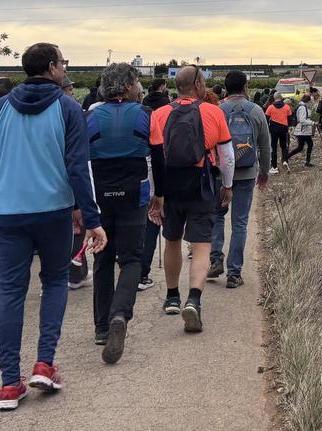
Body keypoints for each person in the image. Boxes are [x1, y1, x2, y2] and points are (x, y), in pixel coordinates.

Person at [0, 43, 106, 411]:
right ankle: (45, 363)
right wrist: (90, 217)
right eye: (63, 63)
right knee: (53, 281)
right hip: (53, 210)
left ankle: (7, 384)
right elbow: (78, 166)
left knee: (11, 290)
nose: (65, 68)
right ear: (51, 67)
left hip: (8, 210)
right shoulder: (67, 108)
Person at [148, 65, 233, 333]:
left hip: (170, 186)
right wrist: (227, 186)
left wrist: (155, 194)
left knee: (172, 240)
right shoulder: (213, 112)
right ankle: (193, 300)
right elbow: (227, 156)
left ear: (177, 87)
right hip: (200, 185)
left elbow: (152, 160)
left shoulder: (159, 114)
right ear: (198, 84)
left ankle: (172, 296)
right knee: (201, 245)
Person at [86, 63, 152, 364]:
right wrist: (158, 195)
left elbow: (79, 160)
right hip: (133, 195)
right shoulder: (143, 115)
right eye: (136, 81)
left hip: (100, 195)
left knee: (102, 257)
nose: (139, 86)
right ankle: (120, 315)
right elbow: (156, 156)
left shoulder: (90, 117)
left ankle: (102, 326)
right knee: (132, 259)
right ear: (127, 86)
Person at [213, 72, 270, 287]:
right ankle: (234, 273)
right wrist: (263, 172)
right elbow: (265, 146)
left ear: (226, 89)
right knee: (240, 222)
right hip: (246, 174)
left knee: (217, 216)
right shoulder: (256, 111)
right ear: (246, 87)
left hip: (220, 173)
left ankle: (215, 259)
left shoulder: (218, 111)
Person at [136, 77, 171, 291]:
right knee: (151, 224)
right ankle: (142, 274)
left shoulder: (143, 109)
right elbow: (158, 155)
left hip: (122, 179)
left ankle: (130, 269)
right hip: (149, 176)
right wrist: (160, 191)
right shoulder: (157, 111)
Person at [284, 93, 316, 167]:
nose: (311, 103)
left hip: (302, 130)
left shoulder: (302, 106)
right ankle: (307, 162)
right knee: (309, 145)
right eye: (311, 101)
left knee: (300, 147)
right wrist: (313, 123)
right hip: (303, 131)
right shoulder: (302, 108)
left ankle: (286, 158)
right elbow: (302, 120)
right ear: (308, 101)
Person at [266, 93, 292, 172]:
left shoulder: (270, 107)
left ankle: (274, 167)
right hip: (284, 128)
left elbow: (266, 119)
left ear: (274, 98)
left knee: (273, 147)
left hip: (273, 129)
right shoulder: (287, 107)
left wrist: (268, 128)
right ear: (281, 98)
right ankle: (285, 161)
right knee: (284, 146)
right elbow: (290, 120)